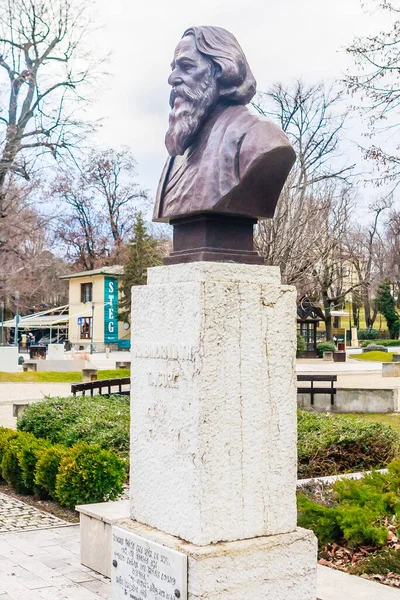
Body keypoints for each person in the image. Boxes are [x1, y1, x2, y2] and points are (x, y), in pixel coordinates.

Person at [153, 26, 295, 223]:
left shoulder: (261, 137)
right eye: (173, 68)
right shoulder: (179, 150)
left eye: (187, 67)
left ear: (222, 71)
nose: (172, 79)